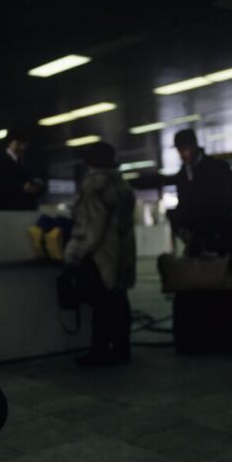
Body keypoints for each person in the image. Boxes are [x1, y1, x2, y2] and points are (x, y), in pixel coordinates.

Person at [63, 141, 136, 366]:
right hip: (122, 251)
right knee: (119, 301)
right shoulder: (121, 184)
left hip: (102, 255)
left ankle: (99, 352)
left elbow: (94, 228)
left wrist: (77, 252)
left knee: (101, 305)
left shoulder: (95, 186)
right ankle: (122, 348)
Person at [171, 129, 232, 255]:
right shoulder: (181, 176)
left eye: (184, 149)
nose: (182, 154)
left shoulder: (218, 168)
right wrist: (180, 226)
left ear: (194, 145)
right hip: (196, 242)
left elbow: (228, 203)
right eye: (179, 150)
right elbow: (183, 205)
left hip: (219, 239)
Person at [0, 128, 44, 210]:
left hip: (23, 208)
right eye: (19, 143)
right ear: (10, 142)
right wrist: (21, 188)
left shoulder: (25, 161)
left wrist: (34, 186)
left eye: (24, 144)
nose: (22, 148)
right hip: (6, 208)